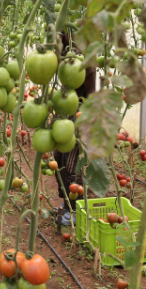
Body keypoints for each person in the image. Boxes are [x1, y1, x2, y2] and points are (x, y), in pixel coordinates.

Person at [55, 33, 97, 226]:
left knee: (71, 163)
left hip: (79, 114)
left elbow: (92, 91)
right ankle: (67, 203)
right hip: (66, 112)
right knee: (58, 158)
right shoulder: (63, 50)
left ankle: (75, 210)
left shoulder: (84, 54)